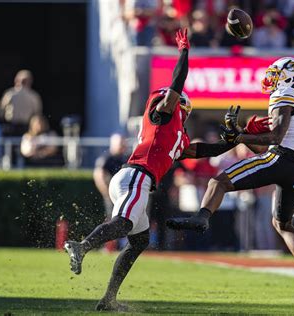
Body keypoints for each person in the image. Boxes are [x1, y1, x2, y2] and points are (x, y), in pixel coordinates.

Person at [63, 29, 248, 311]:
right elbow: (177, 83)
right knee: (124, 224)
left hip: (137, 180)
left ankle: (109, 299)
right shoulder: (161, 116)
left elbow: (204, 151)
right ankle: (81, 247)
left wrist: (231, 139)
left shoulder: (178, 138)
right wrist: (184, 52)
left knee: (138, 241)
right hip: (136, 176)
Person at [167, 57, 294, 303]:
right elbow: (263, 149)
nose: (272, 80)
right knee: (282, 224)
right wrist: (241, 135)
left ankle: (201, 218)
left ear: (291, 77)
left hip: (282, 158)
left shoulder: (284, 93)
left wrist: (240, 135)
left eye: (277, 74)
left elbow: (276, 138)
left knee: (218, 182)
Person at [93, 133, 129, 250]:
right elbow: (99, 175)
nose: (123, 146)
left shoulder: (124, 158)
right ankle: (108, 246)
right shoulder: (106, 158)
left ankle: (119, 245)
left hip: (123, 195)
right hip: (113, 195)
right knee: (111, 220)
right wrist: (107, 193)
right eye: (120, 144)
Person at [0, 70, 42, 136]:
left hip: (26, 128)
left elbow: (37, 114)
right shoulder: (10, 94)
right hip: (11, 127)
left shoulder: (33, 96)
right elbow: (1, 109)